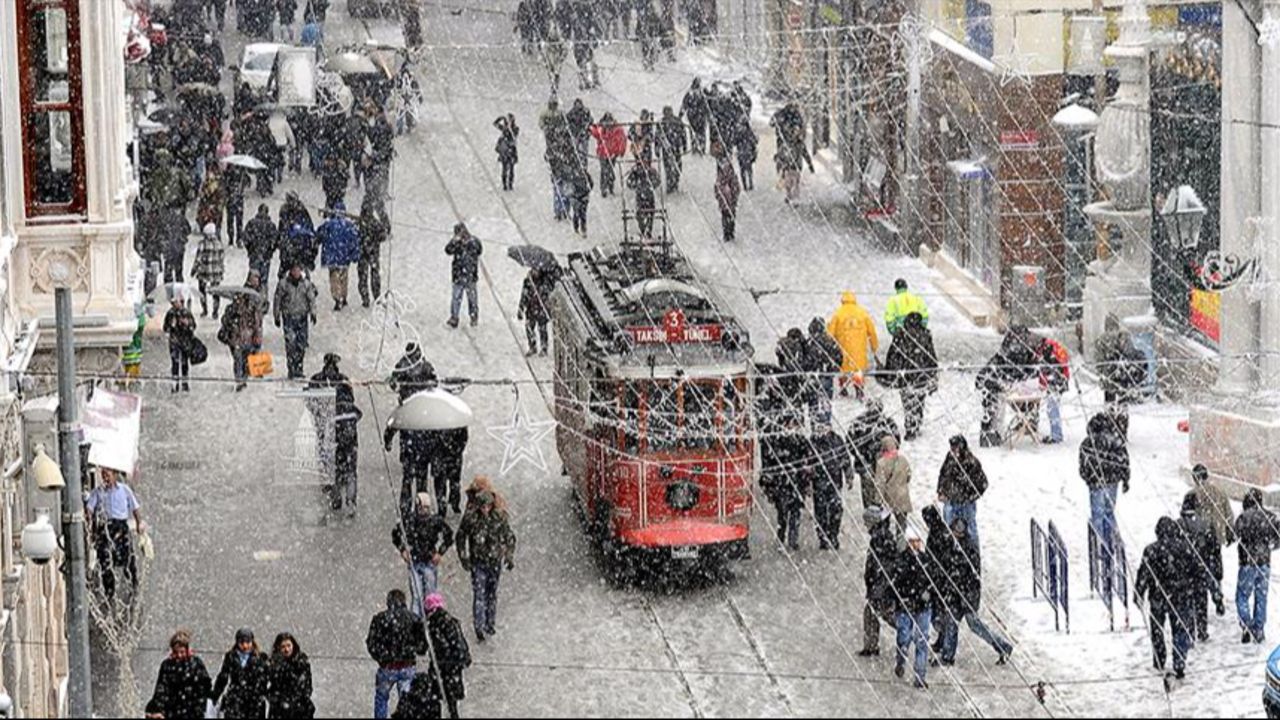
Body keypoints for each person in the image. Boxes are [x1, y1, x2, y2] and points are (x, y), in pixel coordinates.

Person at [928, 509, 1014, 666]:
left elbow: (973, 578)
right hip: (955, 594)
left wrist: (969, 598)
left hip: (965, 595)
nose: (955, 535)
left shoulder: (969, 549)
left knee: (975, 625)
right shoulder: (950, 545)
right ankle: (948, 656)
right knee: (951, 623)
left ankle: (1003, 646)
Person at [455, 482, 517, 642]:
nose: (485, 509)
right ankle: (479, 626)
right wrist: (464, 558)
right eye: (482, 506)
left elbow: (509, 537)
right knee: (479, 594)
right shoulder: (471, 518)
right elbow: (460, 537)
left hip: (494, 561)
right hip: (479, 562)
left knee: (491, 593)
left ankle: (490, 623)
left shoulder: (499, 517)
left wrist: (509, 556)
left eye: (488, 506)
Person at [1135, 517, 1196, 677]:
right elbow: (1194, 571)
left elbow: (1144, 573)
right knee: (1179, 629)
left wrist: (1139, 592)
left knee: (1157, 628)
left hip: (1158, 595)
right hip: (1180, 595)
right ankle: (1179, 660)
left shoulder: (1151, 550)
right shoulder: (1185, 548)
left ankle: (1159, 658)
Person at [1079, 411, 1130, 597]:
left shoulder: (1088, 443)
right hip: (1112, 483)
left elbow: (1082, 466)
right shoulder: (1116, 441)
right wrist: (1125, 480)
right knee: (1109, 513)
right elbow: (1125, 461)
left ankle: (1100, 545)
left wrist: (1090, 479)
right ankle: (1112, 541)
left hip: (1096, 485)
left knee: (1097, 515)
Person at [367, 589, 428, 720]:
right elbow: (422, 644)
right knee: (406, 701)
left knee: (381, 698)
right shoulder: (413, 619)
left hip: (387, 667)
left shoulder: (380, 619)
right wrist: (415, 651)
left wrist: (382, 658)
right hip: (407, 666)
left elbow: (372, 643)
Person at [974, 325, 1039, 447]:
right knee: (993, 410)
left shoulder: (1014, 349)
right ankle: (989, 436)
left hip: (995, 383)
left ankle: (993, 434)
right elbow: (1017, 371)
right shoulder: (1014, 351)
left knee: (995, 411)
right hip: (992, 385)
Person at [85, 467, 144, 600]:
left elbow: (135, 508)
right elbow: (89, 509)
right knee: (105, 558)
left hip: (121, 526)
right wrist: (89, 519)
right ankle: (109, 591)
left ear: (115, 475)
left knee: (128, 557)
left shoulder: (124, 490)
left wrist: (139, 523)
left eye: (108, 474)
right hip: (106, 527)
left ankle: (133, 585)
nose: (106, 478)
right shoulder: (98, 492)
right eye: (103, 474)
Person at [394, 492, 455, 618]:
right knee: (417, 596)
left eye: (427, 508)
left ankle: (431, 620)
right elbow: (396, 534)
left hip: (429, 562)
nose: (424, 511)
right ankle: (416, 622)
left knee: (430, 596)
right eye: (422, 508)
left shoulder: (435, 521)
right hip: (414, 562)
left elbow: (449, 536)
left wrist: (440, 552)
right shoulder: (409, 520)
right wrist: (403, 550)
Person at [882, 312, 938, 441]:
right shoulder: (925, 335)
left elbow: (893, 355)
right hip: (921, 376)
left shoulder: (901, 335)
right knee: (919, 401)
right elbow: (931, 355)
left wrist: (890, 371)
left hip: (905, 376)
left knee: (907, 402)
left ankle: (910, 426)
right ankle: (916, 422)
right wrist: (932, 372)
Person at [1235, 488, 1280, 644]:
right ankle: (1259, 629)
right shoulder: (1271, 518)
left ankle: (1246, 624)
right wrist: (1273, 546)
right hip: (1264, 563)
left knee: (1242, 595)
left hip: (1247, 562)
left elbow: (1235, 534)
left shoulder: (1242, 518)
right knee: (1261, 597)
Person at [1179, 491, 1225, 642]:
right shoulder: (1206, 523)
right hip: (1202, 567)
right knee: (1201, 599)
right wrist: (1216, 567)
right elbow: (1214, 549)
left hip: (1185, 570)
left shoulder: (1178, 525)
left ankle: (1190, 630)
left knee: (1187, 600)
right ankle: (1202, 630)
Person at [760, 412, 808, 551]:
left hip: (796, 483)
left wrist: (804, 479)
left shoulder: (801, 441)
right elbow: (769, 463)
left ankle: (793, 540)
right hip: (782, 485)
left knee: (795, 513)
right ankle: (781, 538)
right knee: (782, 514)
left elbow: (806, 461)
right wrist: (768, 485)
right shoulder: (777, 442)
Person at [894, 525, 933, 689]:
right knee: (904, 637)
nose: (916, 545)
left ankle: (920, 676)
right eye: (913, 542)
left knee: (921, 641)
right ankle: (901, 659)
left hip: (922, 607)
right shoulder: (901, 561)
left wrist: (928, 593)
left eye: (918, 541)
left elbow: (933, 582)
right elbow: (896, 584)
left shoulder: (926, 561)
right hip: (906, 606)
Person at [858, 507, 901, 657]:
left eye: (866, 522)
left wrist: (878, 585)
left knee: (886, 615)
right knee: (872, 614)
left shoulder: (881, 538)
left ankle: (912, 634)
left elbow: (884, 565)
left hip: (881, 587)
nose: (865, 525)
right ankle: (871, 646)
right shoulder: (880, 536)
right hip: (879, 585)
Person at [424, 593, 472, 719]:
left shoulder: (433, 625)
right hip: (453, 668)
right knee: (452, 703)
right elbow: (460, 644)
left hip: (443, 668)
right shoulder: (452, 621)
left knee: (437, 700)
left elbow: (435, 647)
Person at [936, 435, 987, 550]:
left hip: (966, 503)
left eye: (955, 448)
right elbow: (943, 474)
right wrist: (941, 491)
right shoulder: (950, 458)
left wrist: (970, 496)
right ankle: (949, 553)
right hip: (951, 500)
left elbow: (983, 483)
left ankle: (973, 553)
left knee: (970, 530)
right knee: (949, 529)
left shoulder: (971, 462)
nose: (953, 451)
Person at [148, 630, 213, 720]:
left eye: (182, 652)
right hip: (173, 711)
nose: (179, 655)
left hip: (192, 712)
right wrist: (159, 708)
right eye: (176, 652)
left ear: (187, 650)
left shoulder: (196, 663)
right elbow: (161, 689)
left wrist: (200, 705)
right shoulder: (167, 665)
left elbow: (205, 685)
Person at [848, 398, 900, 508]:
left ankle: (877, 513)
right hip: (868, 463)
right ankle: (874, 514)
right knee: (873, 490)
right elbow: (851, 443)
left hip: (878, 464)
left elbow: (896, 442)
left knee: (875, 491)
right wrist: (864, 453)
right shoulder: (860, 423)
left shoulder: (887, 422)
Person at [827, 291, 879, 398]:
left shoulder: (838, 313)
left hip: (843, 348)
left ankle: (843, 387)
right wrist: (874, 346)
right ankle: (858, 388)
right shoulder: (862, 313)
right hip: (859, 350)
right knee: (857, 369)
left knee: (843, 368)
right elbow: (872, 332)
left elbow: (830, 334)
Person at [211, 629, 270, 718]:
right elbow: (223, 677)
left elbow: (265, 678)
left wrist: (263, 693)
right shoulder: (231, 656)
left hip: (254, 701)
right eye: (242, 642)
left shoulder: (261, 657)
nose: (245, 646)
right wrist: (215, 695)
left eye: (248, 642)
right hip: (235, 699)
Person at [274, 264, 319, 379]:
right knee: (290, 344)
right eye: (294, 270)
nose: (296, 272)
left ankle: (299, 367)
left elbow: (311, 299)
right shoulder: (283, 284)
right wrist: (277, 315)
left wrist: (313, 313)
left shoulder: (306, 284)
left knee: (301, 344)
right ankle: (291, 368)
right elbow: (277, 299)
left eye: (298, 270)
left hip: (302, 317)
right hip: (288, 317)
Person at [810, 424, 851, 551]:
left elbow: (845, 458)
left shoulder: (837, 440)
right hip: (819, 482)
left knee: (836, 510)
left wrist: (848, 475)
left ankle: (833, 535)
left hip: (835, 481)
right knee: (820, 511)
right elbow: (807, 461)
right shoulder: (813, 442)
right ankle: (823, 537)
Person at [1095, 313, 1147, 404]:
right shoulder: (1102, 340)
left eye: (1113, 328)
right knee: (1116, 402)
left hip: (1117, 377)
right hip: (1117, 378)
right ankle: (1115, 413)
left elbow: (1099, 361)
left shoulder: (1121, 337)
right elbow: (1099, 361)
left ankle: (1114, 413)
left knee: (1115, 403)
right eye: (1110, 329)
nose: (1112, 332)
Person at [318, 201, 360, 311]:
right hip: (344, 257)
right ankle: (344, 296)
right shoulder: (349, 226)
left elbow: (319, 234)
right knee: (344, 277)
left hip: (331, 257)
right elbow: (354, 241)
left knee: (334, 278)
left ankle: (337, 298)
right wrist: (354, 256)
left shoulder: (328, 225)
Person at [1191, 463, 1236, 565]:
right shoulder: (1220, 492)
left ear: (1195, 478)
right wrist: (1230, 531)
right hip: (1218, 535)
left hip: (1200, 537)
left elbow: (1188, 517)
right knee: (1215, 562)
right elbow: (1229, 514)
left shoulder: (1192, 494)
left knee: (1201, 564)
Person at [266, 632, 314, 718]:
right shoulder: (274, 665)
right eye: (283, 646)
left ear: (293, 646)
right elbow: (272, 686)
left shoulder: (302, 663)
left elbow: (307, 687)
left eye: (288, 645)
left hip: (299, 710)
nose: (286, 649)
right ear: (278, 648)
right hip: (279, 711)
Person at [445, 223, 482, 329]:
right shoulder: (456, 244)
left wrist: (468, 243)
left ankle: (474, 317)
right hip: (458, 276)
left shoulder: (474, 242)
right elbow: (448, 250)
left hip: (470, 276)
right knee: (456, 298)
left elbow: (479, 250)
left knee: (472, 299)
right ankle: (454, 317)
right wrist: (454, 241)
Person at [873, 435, 911, 531]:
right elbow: (909, 476)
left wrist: (878, 501)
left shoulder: (881, 463)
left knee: (884, 526)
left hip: (888, 499)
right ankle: (900, 544)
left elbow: (880, 483)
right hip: (902, 497)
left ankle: (886, 543)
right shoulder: (903, 460)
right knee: (902, 527)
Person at [1038, 335, 1071, 444]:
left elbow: (1047, 368)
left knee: (1052, 408)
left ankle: (1057, 436)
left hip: (1056, 382)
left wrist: (1045, 382)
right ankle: (1056, 433)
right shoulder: (1051, 346)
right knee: (1052, 407)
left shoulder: (1048, 348)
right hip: (1058, 380)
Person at [358, 199, 390, 308]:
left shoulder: (360, 222)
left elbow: (355, 235)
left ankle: (365, 298)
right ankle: (376, 296)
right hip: (373, 253)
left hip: (363, 252)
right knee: (374, 275)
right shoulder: (375, 223)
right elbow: (383, 235)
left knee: (363, 276)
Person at [163, 294, 197, 393]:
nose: (175, 304)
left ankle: (185, 383)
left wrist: (187, 324)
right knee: (175, 363)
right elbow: (165, 328)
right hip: (174, 342)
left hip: (185, 342)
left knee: (184, 363)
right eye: (173, 302)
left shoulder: (187, 312)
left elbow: (193, 326)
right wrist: (171, 325)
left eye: (176, 302)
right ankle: (175, 384)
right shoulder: (170, 313)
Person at [244, 204, 278, 298]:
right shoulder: (271, 225)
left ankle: (251, 296)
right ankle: (263, 298)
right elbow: (276, 240)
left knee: (253, 277)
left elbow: (246, 238)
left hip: (254, 254)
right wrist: (270, 251)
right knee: (263, 279)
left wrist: (250, 249)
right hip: (265, 256)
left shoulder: (252, 223)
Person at [589, 113, 626, 197]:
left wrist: (619, 152)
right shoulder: (602, 128)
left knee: (609, 170)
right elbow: (595, 132)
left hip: (612, 153)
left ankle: (609, 186)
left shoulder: (616, 129)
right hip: (603, 153)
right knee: (605, 170)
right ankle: (605, 188)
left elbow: (621, 140)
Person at [193, 223, 225, 319]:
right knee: (216, 292)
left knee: (202, 291)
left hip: (204, 272)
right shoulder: (219, 244)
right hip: (216, 272)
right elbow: (222, 258)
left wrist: (194, 269)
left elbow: (198, 259)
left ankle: (205, 309)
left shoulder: (202, 244)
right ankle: (215, 311)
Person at [518, 268, 552, 356]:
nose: (535, 272)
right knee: (529, 327)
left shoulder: (545, 281)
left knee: (542, 329)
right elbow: (524, 295)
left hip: (541, 308)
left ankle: (544, 347)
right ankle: (532, 346)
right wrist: (521, 308)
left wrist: (542, 293)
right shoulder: (528, 281)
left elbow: (548, 294)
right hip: (531, 308)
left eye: (537, 270)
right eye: (534, 270)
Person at [713, 139, 740, 243]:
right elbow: (735, 184)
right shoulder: (728, 174)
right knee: (729, 214)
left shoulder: (722, 176)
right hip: (728, 199)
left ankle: (728, 233)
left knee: (726, 215)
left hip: (727, 199)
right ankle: (729, 233)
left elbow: (718, 186)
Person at [626, 159, 660, 239]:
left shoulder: (645, 171)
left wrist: (637, 186)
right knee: (646, 213)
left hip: (645, 196)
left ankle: (646, 230)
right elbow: (658, 181)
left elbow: (629, 183)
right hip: (645, 195)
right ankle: (646, 230)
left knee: (645, 213)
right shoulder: (640, 172)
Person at [658, 105, 687, 193]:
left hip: (674, 147)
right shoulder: (662, 123)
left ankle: (673, 183)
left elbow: (683, 134)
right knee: (671, 167)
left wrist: (684, 145)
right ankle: (671, 184)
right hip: (670, 148)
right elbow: (658, 137)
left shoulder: (676, 121)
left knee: (674, 167)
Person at [682, 78, 710, 155]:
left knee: (696, 132)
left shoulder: (695, 93)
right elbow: (684, 104)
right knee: (699, 133)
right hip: (698, 117)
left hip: (695, 116)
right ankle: (699, 147)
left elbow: (684, 105)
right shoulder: (699, 93)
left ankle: (698, 147)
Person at [494, 114, 520, 191]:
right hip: (505, 150)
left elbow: (514, 134)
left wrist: (509, 128)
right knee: (504, 168)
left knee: (511, 168)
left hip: (510, 150)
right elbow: (495, 124)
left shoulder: (515, 129)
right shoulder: (504, 128)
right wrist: (500, 118)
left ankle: (510, 184)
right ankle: (505, 184)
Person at [566, 98, 594, 164]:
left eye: (579, 104)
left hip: (584, 135)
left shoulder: (585, 111)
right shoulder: (572, 113)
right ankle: (577, 163)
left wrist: (586, 125)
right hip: (576, 134)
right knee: (576, 150)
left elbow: (591, 120)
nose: (578, 106)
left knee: (584, 151)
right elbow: (567, 121)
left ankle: (584, 164)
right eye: (576, 104)